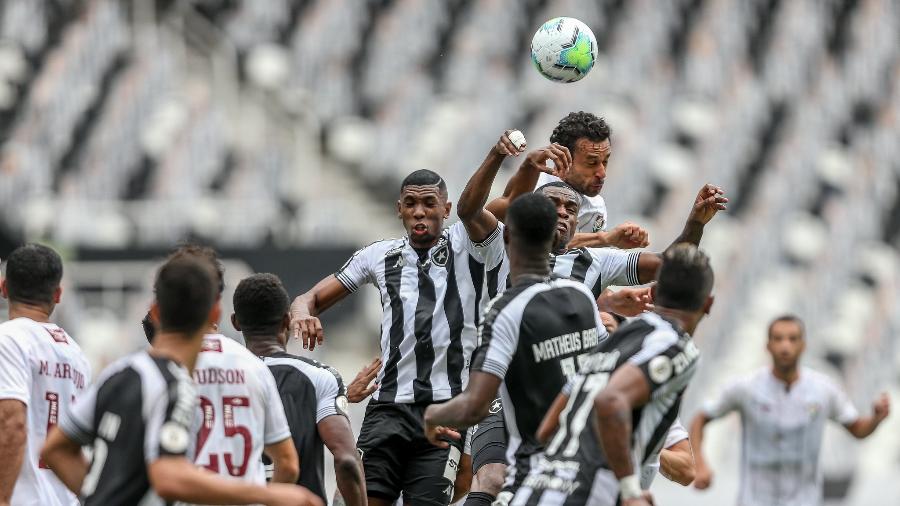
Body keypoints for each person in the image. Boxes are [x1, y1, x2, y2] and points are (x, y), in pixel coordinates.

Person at [454, 130, 726, 504]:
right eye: (554, 206)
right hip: (505, 389)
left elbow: (667, 269)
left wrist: (695, 223)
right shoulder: (503, 244)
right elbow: (469, 210)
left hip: (565, 395)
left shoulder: (593, 262)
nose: (563, 214)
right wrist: (500, 156)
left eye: (571, 210)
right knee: (492, 479)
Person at [289, 169, 507, 506]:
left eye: (428, 203)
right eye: (411, 203)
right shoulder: (379, 256)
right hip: (387, 410)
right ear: (399, 209)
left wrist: (500, 155)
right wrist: (302, 313)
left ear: (446, 209)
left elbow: (497, 204)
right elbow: (310, 298)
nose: (419, 211)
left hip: (446, 410)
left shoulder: (470, 246)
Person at [40, 256, 320, 506]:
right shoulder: (174, 382)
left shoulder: (119, 372)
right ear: (215, 314)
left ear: (155, 312)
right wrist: (266, 494)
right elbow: (168, 478)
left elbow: (55, 449)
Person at [422, 193, 606, 503]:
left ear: (507, 235)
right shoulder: (581, 295)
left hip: (536, 473)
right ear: (554, 236)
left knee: (491, 482)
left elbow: (474, 406)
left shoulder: (506, 310)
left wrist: (432, 415)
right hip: (586, 465)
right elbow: (605, 368)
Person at [512, 243, 715, 506]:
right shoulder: (676, 346)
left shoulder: (613, 341)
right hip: (588, 496)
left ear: (653, 292)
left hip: (536, 490)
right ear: (708, 304)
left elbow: (547, 428)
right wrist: (630, 491)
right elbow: (610, 400)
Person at [689, 314, 891, 506]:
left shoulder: (823, 389)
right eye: (778, 339)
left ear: (803, 345)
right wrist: (699, 462)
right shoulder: (746, 388)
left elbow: (857, 428)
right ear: (768, 345)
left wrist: (875, 419)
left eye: (792, 339)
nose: (785, 346)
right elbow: (700, 419)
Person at [144, 246, 300, 487]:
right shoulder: (253, 366)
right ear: (217, 309)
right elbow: (288, 465)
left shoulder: (147, 372)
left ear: (158, 309)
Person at [232, 273, 365, 505]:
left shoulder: (221, 377)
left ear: (235, 322)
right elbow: (346, 461)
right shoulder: (318, 377)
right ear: (287, 321)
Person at [0, 244, 91, 506]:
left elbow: (11, 423)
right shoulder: (76, 354)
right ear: (58, 294)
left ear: (4, 288)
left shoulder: (8, 339)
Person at [600, 312, 695, 489]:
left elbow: (687, 470)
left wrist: (647, 449)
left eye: (607, 331)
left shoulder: (650, 401)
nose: (603, 341)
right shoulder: (573, 385)